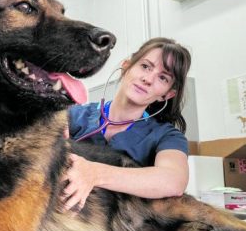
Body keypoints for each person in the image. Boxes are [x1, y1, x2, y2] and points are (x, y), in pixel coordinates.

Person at [61, 37, 192, 211]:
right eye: (145, 66)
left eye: (163, 78)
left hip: (123, 226)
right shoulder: (72, 115)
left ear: (167, 95)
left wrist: (95, 173)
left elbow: (173, 181)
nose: (148, 79)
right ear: (126, 67)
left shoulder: (167, 136)